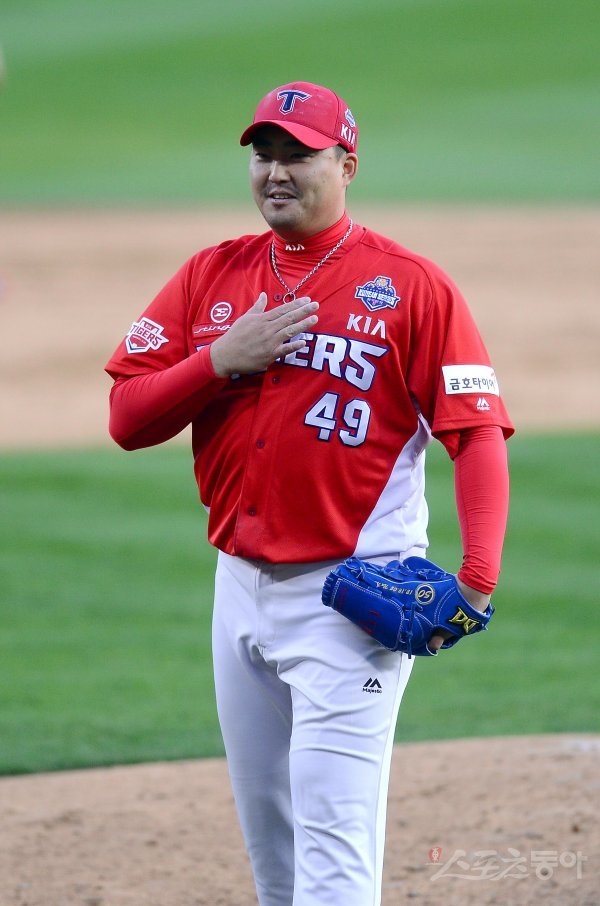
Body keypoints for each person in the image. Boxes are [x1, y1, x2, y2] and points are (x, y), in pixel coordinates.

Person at [105, 81, 513, 906]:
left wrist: (475, 582)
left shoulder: (411, 286)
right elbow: (127, 417)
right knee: (276, 855)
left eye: (298, 154)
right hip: (236, 589)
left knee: (332, 855)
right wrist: (219, 359)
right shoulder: (211, 274)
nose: (276, 171)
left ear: (346, 164)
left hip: (351, 602)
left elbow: (475, 432)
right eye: (264, 154)